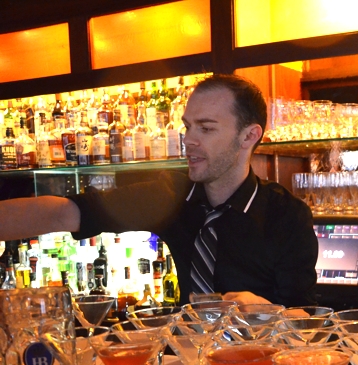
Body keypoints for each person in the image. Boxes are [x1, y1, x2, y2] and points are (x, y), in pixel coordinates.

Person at [0, 74, 318, 307]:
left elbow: (304, 320)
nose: (189, 140)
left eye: (206, 128)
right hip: (187, 360)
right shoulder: (169, 195)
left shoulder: (286, 216)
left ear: (249, 136)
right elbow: (63, 213)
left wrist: (267, 312)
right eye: (188, 126)